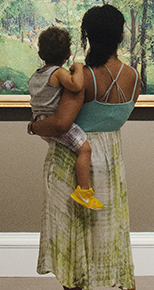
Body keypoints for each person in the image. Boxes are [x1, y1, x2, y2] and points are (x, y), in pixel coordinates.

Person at [29, 5, 140, 290]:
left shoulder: (85, 77)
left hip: (72, 160)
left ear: (87, 36)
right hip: (111, 160)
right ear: (119, 36)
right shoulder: (133, 77)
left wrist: (34, 127)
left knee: (73, 234)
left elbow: (62, 123)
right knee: (104, 230)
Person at [28, 27, 103, 211]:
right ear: (68, 53)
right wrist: (78, 67)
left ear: (40, 53)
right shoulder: (58, 73)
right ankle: (83, 191)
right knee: (85, 149)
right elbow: (76, 85)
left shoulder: (36, 75)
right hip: (54, 121)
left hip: (40, 120)